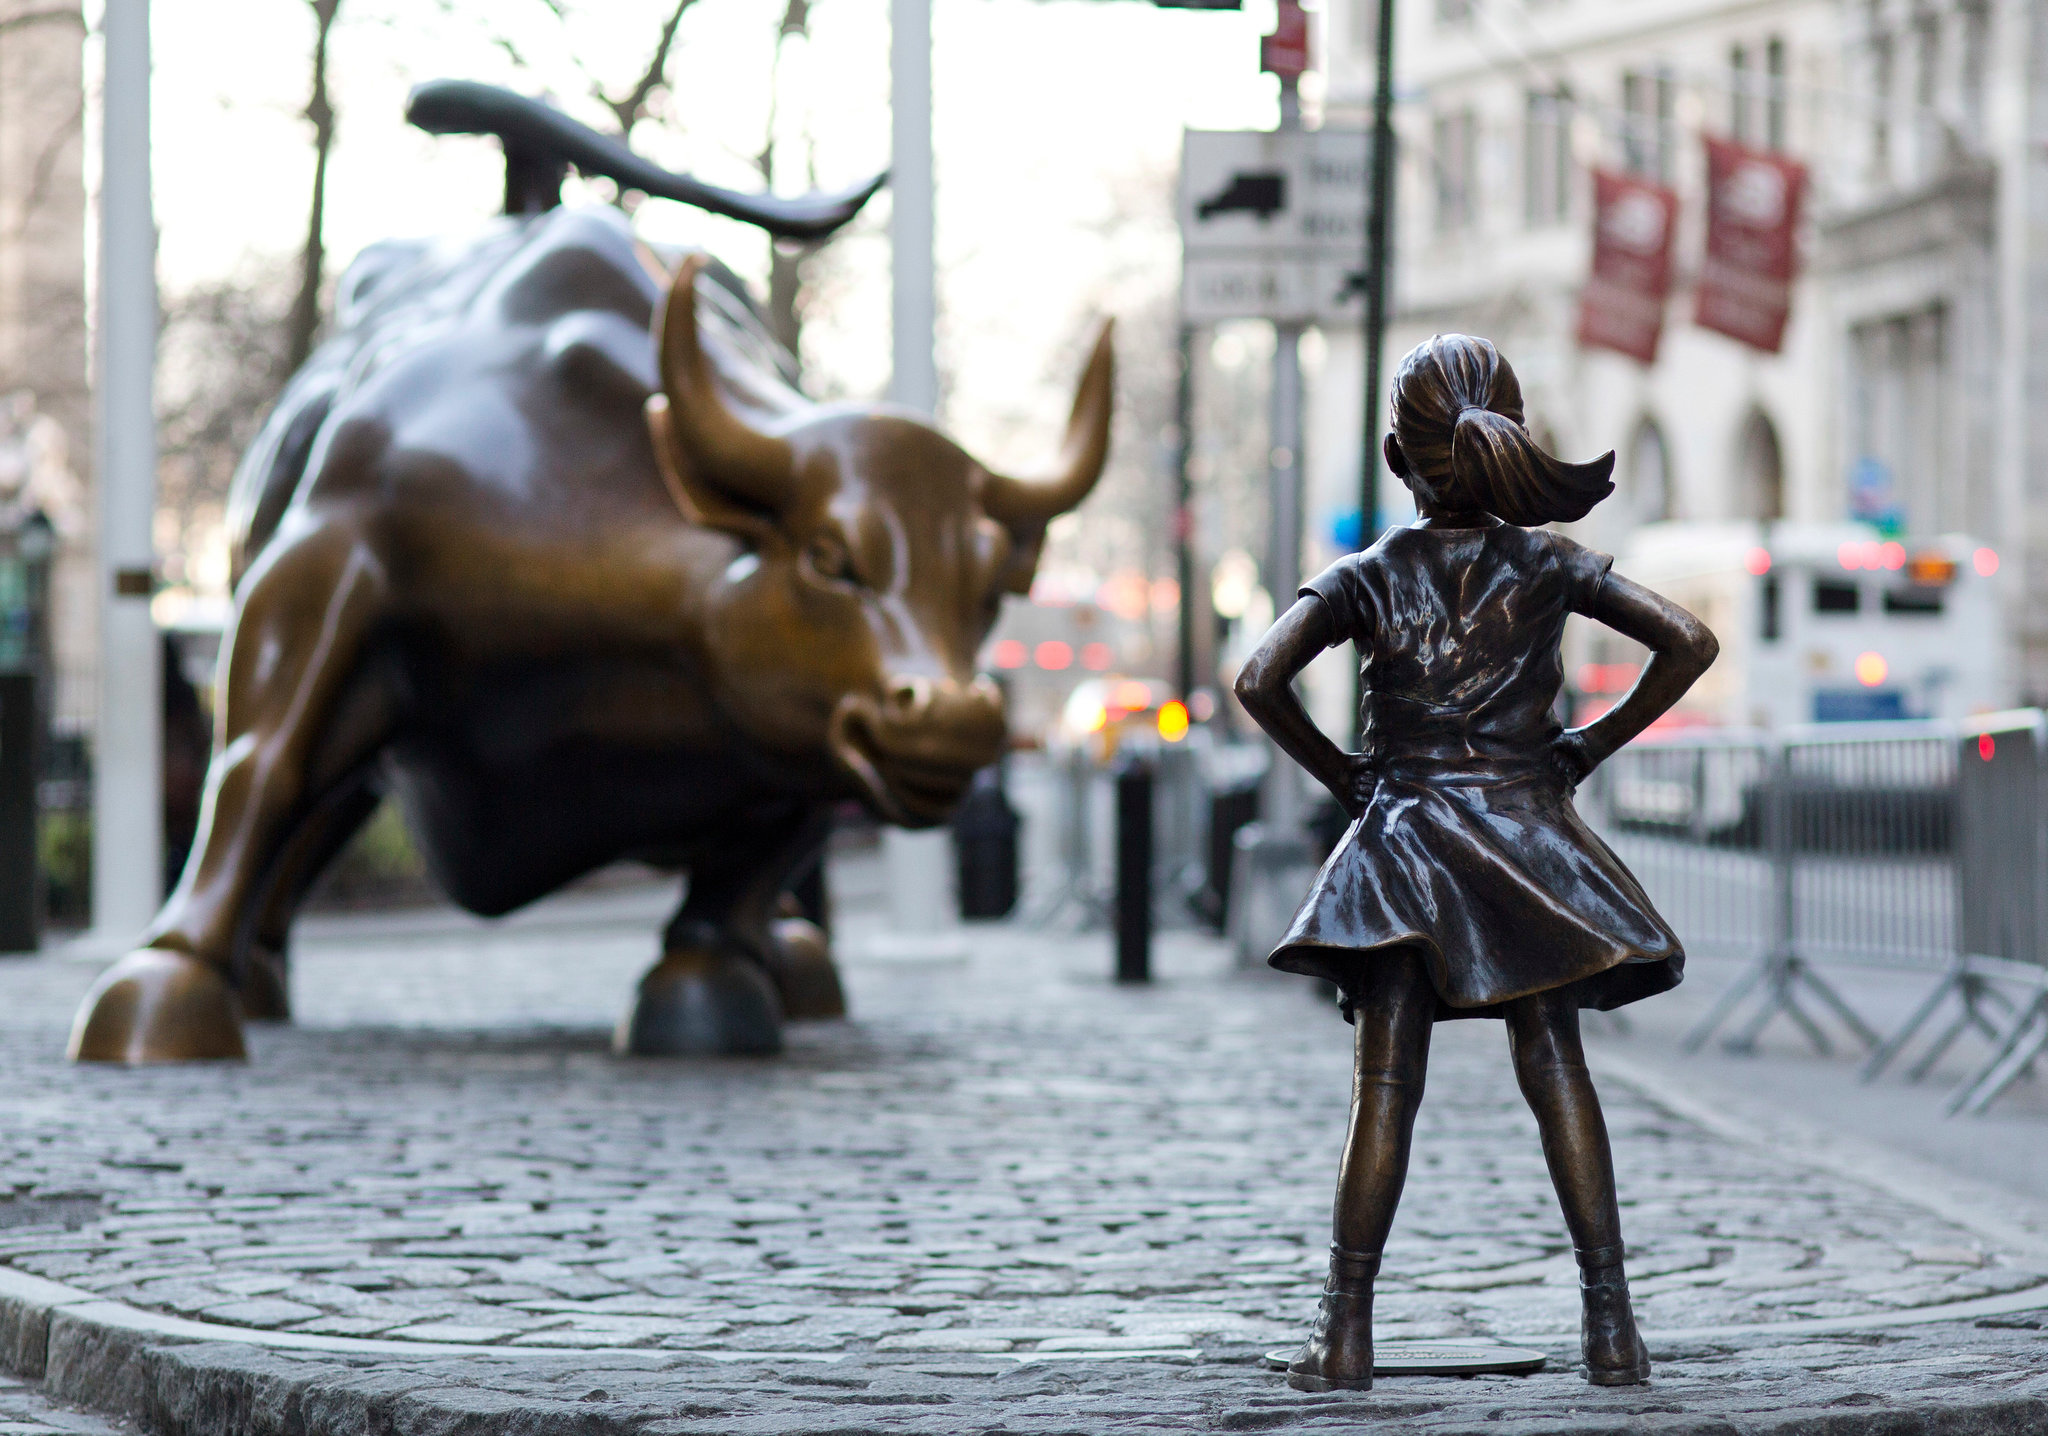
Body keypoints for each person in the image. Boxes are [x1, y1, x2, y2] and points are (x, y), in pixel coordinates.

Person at [1234, 334, 1717, 1392]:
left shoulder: (1366, 575)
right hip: (1522, 837)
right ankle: (1611, 1328)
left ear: (1393, 457)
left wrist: (1347, 777)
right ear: (1505, 440)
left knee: (1386, 1087)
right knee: (1555, 1068)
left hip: (1401, 843)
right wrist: (1583, 747)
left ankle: (1344, 1331)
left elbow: (1257, 678)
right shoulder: (1546, 564)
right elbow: (1685, 639)